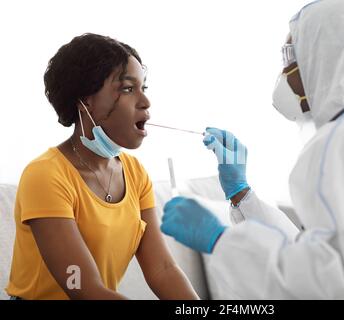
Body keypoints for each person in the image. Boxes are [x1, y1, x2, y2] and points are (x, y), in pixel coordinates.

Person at [160, 0, 344, 299]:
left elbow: (336, 286)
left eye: (289, 54)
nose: (284, 70)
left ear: (320, 54)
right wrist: (241, 194)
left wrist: (221, 240)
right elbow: (320, 251)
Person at [6, 34, 199, 300]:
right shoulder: (45, 175)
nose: (145, 102)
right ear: (86, 102)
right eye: (128, 89)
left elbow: (163, 270)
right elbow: (83, 288)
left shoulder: (136, 174)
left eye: (144, 88)